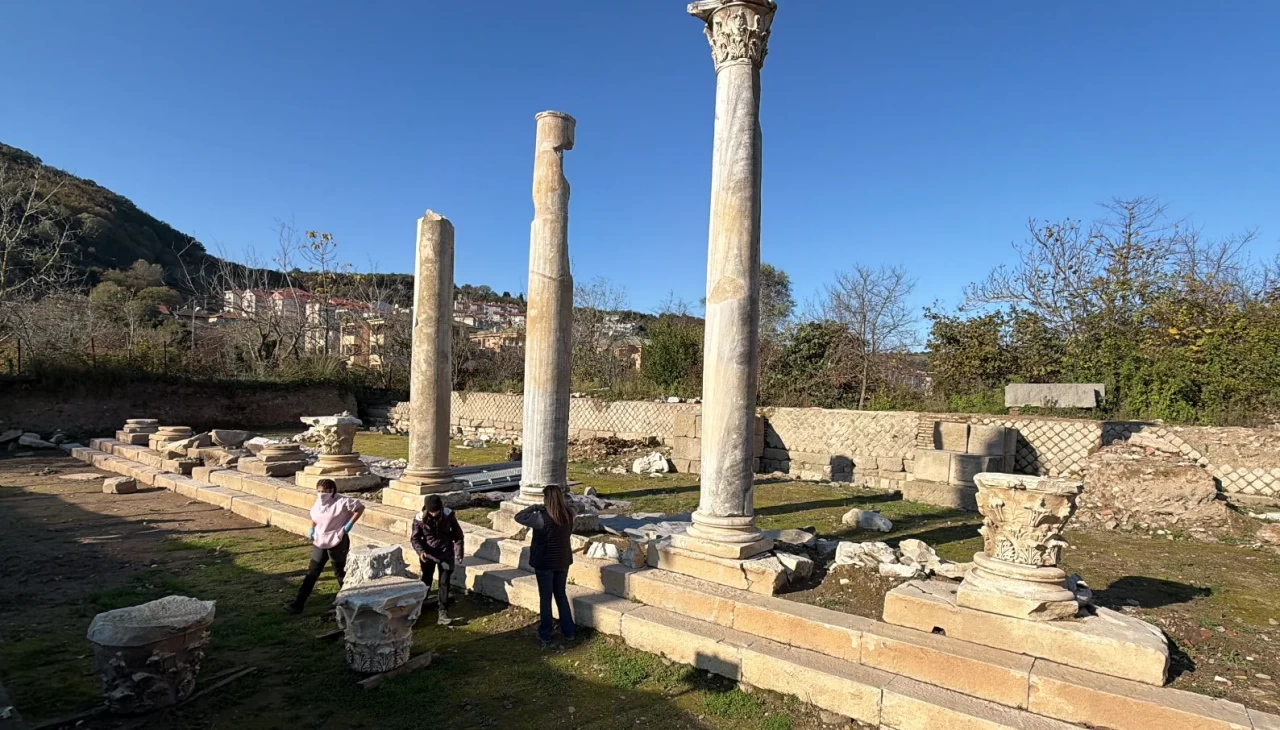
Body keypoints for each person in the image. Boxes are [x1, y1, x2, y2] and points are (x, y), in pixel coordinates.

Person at [284, 478, 365, 614]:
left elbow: (360, 507)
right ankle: (298, 604)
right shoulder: (318, 502)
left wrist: (349, 525)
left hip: (337, 540)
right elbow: (315, 517)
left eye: (325, 491)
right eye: (319, 491)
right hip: (320, 541)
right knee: (312, 572)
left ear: (332, 491)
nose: (322, 494)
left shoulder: (341, 501)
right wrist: (312, 528)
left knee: (340, 573)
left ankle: (350, 603)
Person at [514, 485, 577, 645]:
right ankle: (569, 631)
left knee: (546, 598)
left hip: (544, 563)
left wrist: (534, 507)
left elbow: (519, 516)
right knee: (561, 595)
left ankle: (545, 633)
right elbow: (577, 507)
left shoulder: (540, 518)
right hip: (562, 561)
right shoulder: (569, 514)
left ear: (545, 499)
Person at [410, 494, 465, 626]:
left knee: (444, 582)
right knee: (426, 579)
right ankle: (420, 605)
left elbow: (458, 535)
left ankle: (443, 612)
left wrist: (459, 553)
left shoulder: (448, 515)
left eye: (436, 511)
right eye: (431, 511)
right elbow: (415, 538)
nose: (434, 514)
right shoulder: (419, 519)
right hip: (428, 555)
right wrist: (420, 551)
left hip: (446, 553)